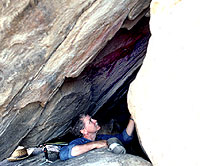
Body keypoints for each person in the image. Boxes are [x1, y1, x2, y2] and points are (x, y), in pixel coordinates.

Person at [59, 113, 135, 161]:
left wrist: (132, 119)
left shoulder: (101, 137)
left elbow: (124, 138)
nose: (95, 120)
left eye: (92, 118)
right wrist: (95, 144)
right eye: (90, 121)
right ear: (84, 131)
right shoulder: (79, 142)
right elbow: (63, 154)